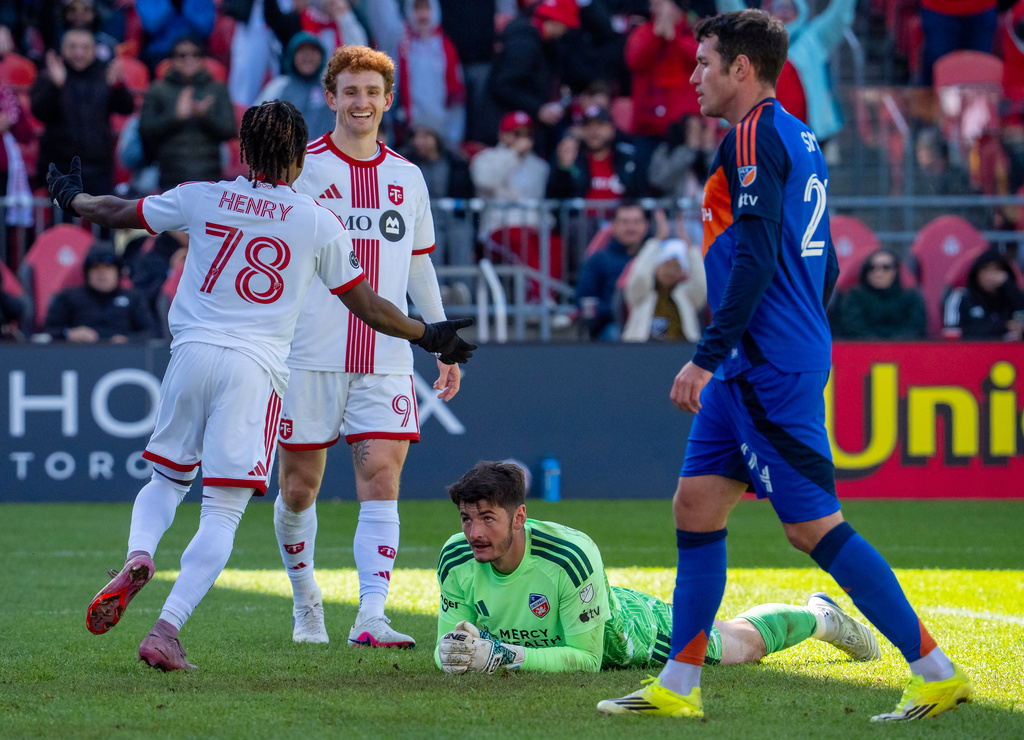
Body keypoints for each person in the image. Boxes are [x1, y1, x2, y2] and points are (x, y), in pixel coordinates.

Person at [598, 10, 973, 722]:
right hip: (762, 356)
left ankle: (934, 669)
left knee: (811, 528)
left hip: (759, 362)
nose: (695, 76)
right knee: (696, 506)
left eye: (705, 63)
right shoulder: (798, 135)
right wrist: (794, 322)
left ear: (742, 69)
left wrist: (713, 354)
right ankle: (678, 688)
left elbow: (761, 252)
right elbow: (823, 258)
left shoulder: (750, 136)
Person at [46, 99, 475, 671]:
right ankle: (167, 628)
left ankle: (140, 553)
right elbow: (370, 307)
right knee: (221, 511)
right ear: (299, 156)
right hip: (256, 368)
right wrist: (429, 335)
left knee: (166, 480)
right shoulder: (316, 220)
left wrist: (72, 198)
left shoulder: (204, 195)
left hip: (192, 352)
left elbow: (116, 210)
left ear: (243, 151)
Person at [271, 46, 462, 650]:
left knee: (382, 477)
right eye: (350, 92)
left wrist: (442, 338)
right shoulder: (300, 170)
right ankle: (307, 603)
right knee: (299, 486)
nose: (361, 102)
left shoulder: (407, 177)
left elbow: (419, 264)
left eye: (371, 92)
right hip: (308, 354)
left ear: (387, 99)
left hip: (385, 358)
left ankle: (371, 615)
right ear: (330, 98)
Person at [435, 461, 880, 674]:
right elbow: (446, 647)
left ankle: (821, 619)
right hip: (551, 640)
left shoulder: (570, 556)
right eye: (467, 518)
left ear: (519, 518)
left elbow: (588, 660)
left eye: (487, 518)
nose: (474, 532)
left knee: (739, 646)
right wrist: (455, 653)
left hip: (623, 632)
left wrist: (502, 656)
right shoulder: (455, 559)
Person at [30, 28, 134, 197]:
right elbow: (39, 112)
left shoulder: (105, 74)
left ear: (94, 50)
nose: (79, 53)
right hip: (60, 167)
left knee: (102, 221)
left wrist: (118, 87)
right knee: (63, 221)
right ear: (62, 49)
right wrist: (54, 87)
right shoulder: (50, 76)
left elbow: (126, 108)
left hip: (99, 167)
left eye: (85, 47)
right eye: (72, 47)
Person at [362, 0, 466, 150]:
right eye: (417, 9)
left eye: (427, 9)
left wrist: (454, 137)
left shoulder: (447, 49)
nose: (422, 15)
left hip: (439, 133)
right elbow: (382, 13)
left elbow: (456, 99)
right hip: (407, 130)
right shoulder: (399, 42)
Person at [139, 36, 236, 190]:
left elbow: (230, 130)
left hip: (209, 176)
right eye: (182, 55)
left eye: (195, 54)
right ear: (172, 60)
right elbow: (145, 131)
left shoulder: (217, 89)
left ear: (202, 59)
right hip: (170, 176)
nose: (188, 59)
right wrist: (175, 117)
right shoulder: (157, 89)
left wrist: (204, 116)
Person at [44, 246, 157, 343]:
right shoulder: (68, 297)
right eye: (96, 269)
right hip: (78, 357)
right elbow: (46, 331)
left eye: (108, 268)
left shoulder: (133, 298)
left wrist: (128, 340)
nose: (102, 274)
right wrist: (69, 333)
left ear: (118, 273)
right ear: (87, 273)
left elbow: (151, 333)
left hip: (123, 360)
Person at [575, 201, 649, 341]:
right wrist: (619, 309)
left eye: (636, 221)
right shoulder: (598, 260)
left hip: (651, 322)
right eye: (624, 222)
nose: (631, 227)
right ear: (613, 226)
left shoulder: (656, 257)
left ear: (646, 225)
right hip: (612, 325)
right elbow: (584, 302)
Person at [546, 105, 641, 202]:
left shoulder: (627, 158)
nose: (594, 131)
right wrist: (564, 168)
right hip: (579, 217)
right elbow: (555, 196)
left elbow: (638, 194)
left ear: (612, 129)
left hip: (619, 217)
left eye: (600, 124)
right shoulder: (572, 157)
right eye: (588, 125)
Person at [255, 32, 336, 140]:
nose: (307, 56)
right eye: (302, 51)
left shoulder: (330, 87)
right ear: (292, 55)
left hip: (325, 154)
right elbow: (257, 123)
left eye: (313, 51)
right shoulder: (279, 86)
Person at [836, 249, 927, 340]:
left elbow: (915, 328)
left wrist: (892, 347)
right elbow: (853, 327)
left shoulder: (912, 298)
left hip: (904, 350)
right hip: (864, 349)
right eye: (872, 267)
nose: (879, 273)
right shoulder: (853, 297)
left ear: (895, 271)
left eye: (886, 267)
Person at [943, 247, 1024, 341]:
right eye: (986, 270)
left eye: (996, 270)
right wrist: (1003, 327)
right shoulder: (960, 298)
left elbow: (1021, 313)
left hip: (1006, 354)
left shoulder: (1010, 297)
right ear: (976, 272)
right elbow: (953, 335)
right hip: (969, 353)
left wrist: (1009, 286)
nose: (990, 276)